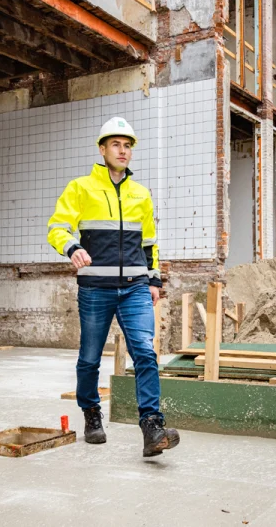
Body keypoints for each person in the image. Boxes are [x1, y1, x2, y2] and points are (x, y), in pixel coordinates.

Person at [47, 117, 180, 457]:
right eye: (117, 145)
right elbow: (57, 228)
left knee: (145, 353)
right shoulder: (81, 188)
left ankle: (152, 426)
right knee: (90, 358)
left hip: (135, 287)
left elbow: (149, 243)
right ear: (102, 149)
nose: (123, 151)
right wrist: (72, 248)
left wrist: (153, 279)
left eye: (128, 146)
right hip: (95, 289)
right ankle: (92, 414)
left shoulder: (141, 194)